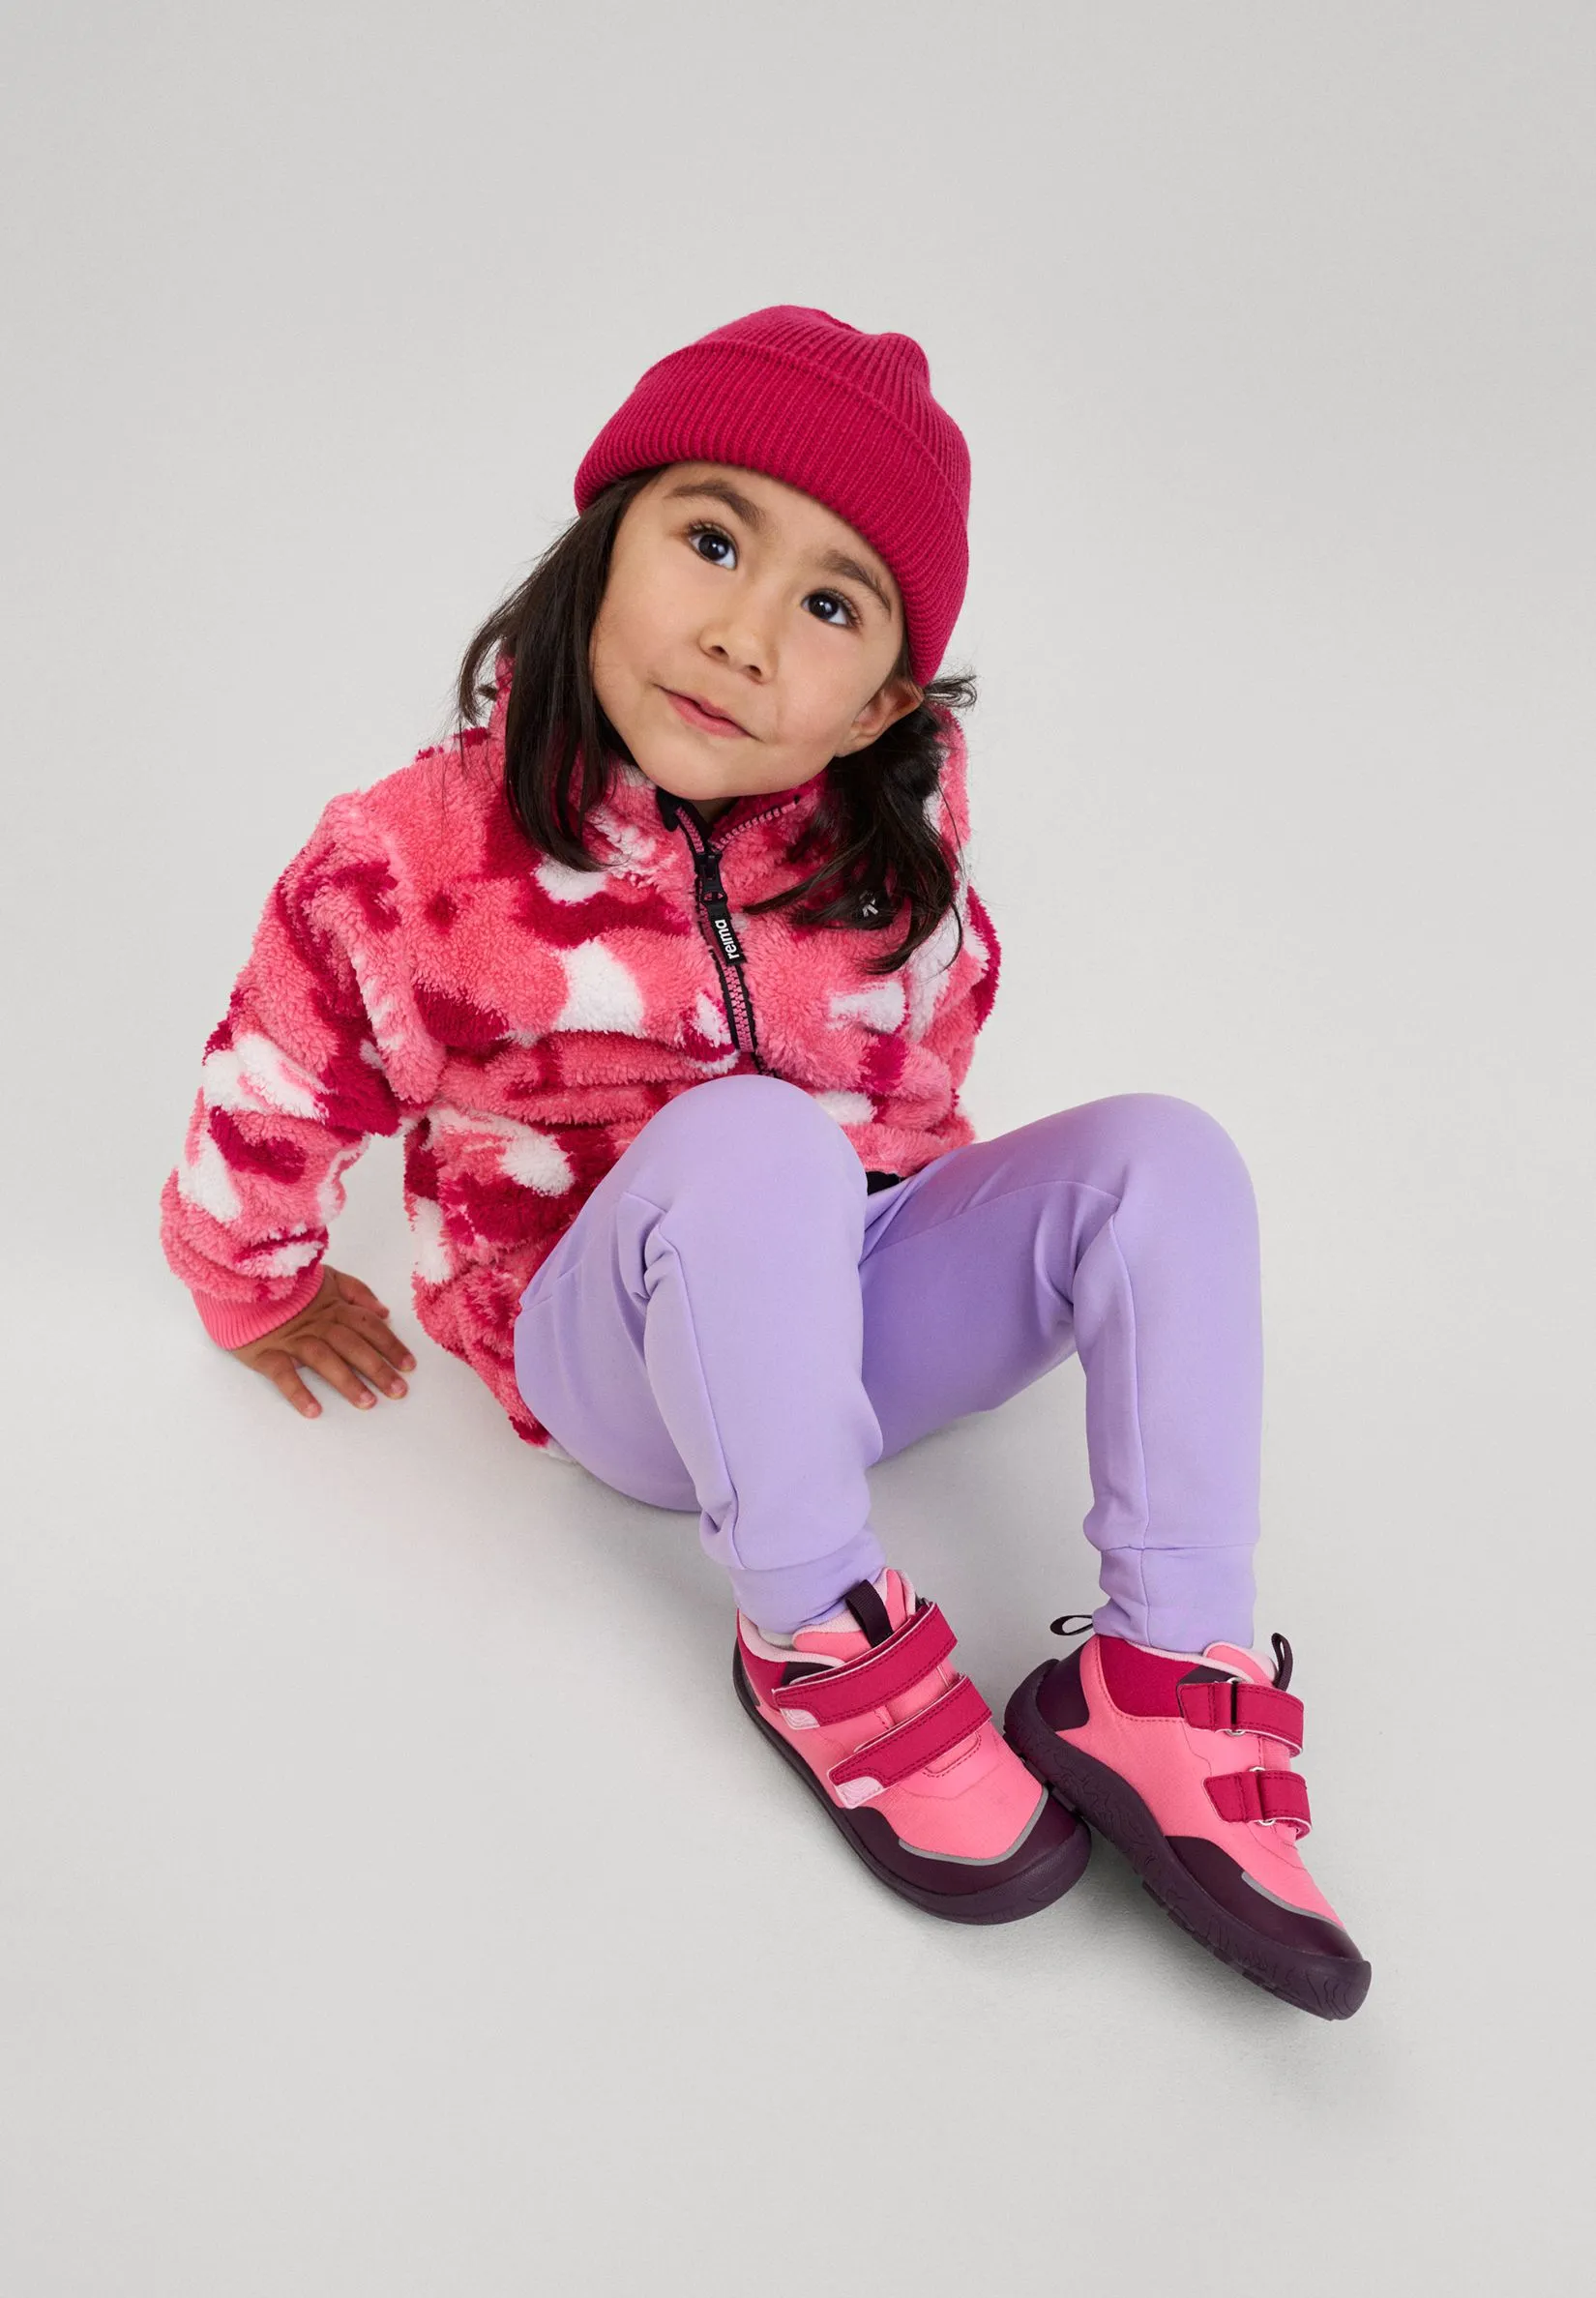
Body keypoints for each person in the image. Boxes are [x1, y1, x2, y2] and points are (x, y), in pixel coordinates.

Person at [159, 305, 1370, 2019]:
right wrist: (250, 1284)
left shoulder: (888, 826)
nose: (741, 635)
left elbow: (934, 1029)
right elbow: (279, 1070)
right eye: (712, 543)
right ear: (603, 542)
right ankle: (815, 1627)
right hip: (615, 1364)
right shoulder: (415, 858)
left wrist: (918, 1214)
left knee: (1164, 1159)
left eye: (827, 605)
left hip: (847, 1297)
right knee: (749, 1144)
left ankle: (1166, 1671)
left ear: (878, 702)